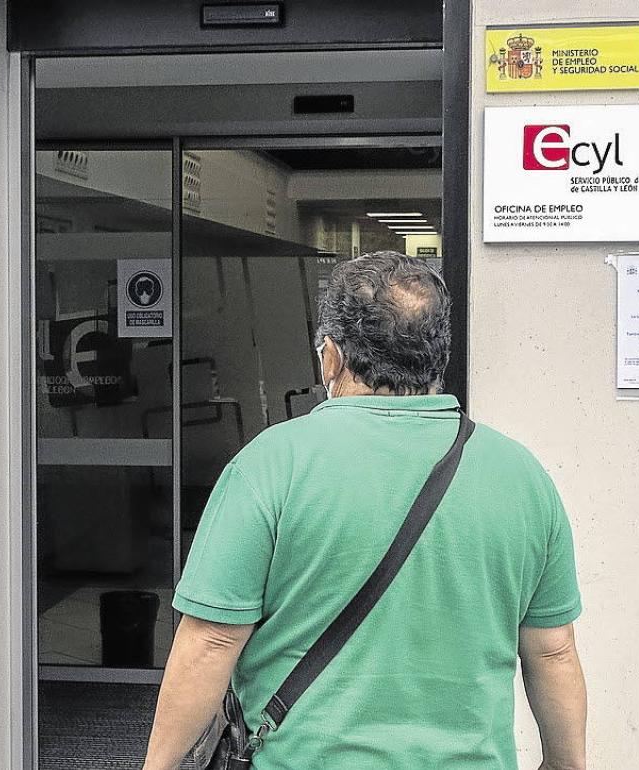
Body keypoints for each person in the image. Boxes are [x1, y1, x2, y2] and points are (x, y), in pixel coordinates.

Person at [142, 251, 586, 770]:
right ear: (439, 355)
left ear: (330, 357)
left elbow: (212, 641)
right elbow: (553, 653)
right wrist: (565, 765)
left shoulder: (270, 465)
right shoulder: (520, 475)